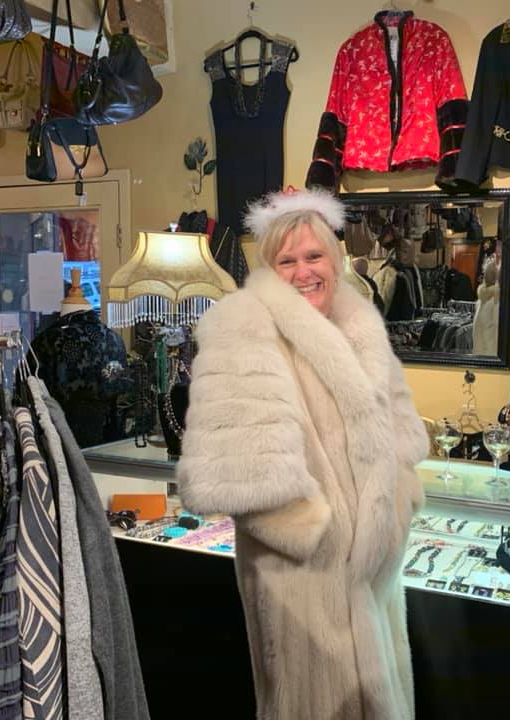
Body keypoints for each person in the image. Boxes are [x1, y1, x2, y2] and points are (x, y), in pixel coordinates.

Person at [176, 186, 429, 720]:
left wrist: (393, 510)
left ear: (334, 259)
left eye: (314, 256)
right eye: (286, 261)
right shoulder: (243, 327)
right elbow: (241, 472)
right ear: (269, 269)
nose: (303, 272)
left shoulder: (360, 325)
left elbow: (401, 438)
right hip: (303, 580)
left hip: (375, 576)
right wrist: (323, 540)